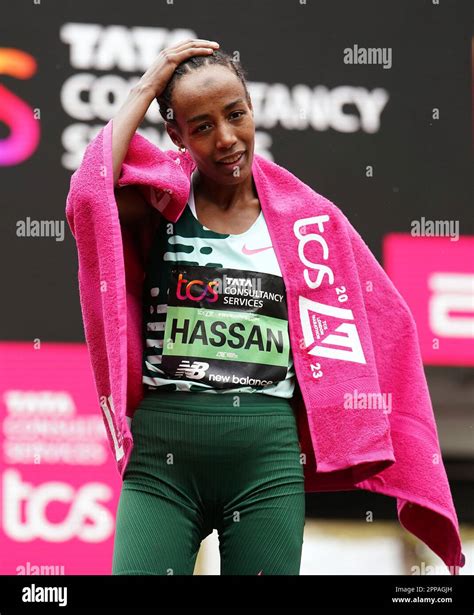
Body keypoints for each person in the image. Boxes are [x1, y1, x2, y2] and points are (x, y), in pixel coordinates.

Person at [110, 39, 306, 576]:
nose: (226, 139)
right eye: (200, 127)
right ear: (175, 135)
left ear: (251, 109)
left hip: (265, 460)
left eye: (236, 115)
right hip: (161, 462)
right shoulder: (158, 203)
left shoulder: (306, 221)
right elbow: (87, 197)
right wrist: (148, 86)